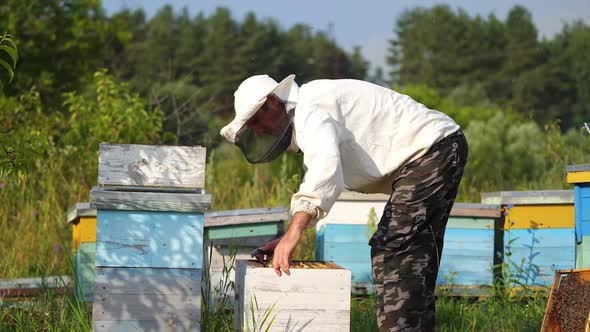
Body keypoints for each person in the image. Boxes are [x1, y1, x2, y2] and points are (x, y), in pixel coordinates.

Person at [220, 74, 468, 331]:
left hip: (432, 150)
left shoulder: (311, 108)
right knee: (416, 258)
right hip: (440, 148)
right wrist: (293, 232)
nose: (258, 130)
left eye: (255, 120)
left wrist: (294, 231)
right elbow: (327, 179)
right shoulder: (311, 106)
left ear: (272, 102)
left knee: (394, 250)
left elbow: (324, 168)